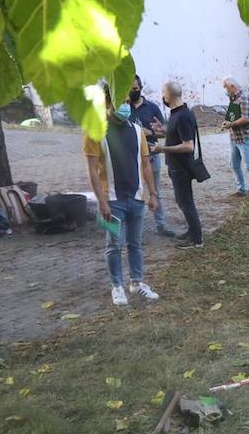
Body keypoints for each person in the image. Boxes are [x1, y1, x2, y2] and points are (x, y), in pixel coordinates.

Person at [83, 85, 161, 306]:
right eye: (120, 102)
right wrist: (102, 202)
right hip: (111, 201)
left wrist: (153, 194)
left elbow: (145, 164)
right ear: (106, 103)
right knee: (113, 245)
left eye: (127, 102)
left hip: (137, 198)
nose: (126, 106)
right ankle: (117, 286)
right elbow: (91, 170)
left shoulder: (137, 130)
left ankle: (137, 282)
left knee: (135, 243)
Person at [153, 79, 204, 249]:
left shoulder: (183, 116)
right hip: (177, 166)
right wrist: (163, 130)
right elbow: (177, 133)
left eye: (163, 92)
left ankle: (196, 240)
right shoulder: (177, 113)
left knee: (186, 202)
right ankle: (192, 230)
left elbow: (188, 146)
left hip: (181, 168)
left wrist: (162, 148)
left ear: (168, 95)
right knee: (183, 201)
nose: (162, 96)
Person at [125, 75, 173, 237]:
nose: (132, 92)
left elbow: (164, 132)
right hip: (130, 159)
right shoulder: (123, 108)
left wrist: (149, 133)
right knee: (131, 193)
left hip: (151, 157)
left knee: (155, 191)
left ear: (140, 88)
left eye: (135, 89)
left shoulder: (152, 108)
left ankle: (161, 225)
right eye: (129, 89)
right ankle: (133, 228)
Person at [221, 76, 249, 199]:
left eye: (225, 87)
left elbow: (246, 118)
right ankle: (241, 190)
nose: (225, 90)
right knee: (234, 165)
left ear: (232, 86)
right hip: (235, 139)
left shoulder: (244, 98)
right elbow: (233, 115)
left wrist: (231, 124)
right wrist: (227, 122)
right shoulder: (233, 98)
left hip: (245, 139)